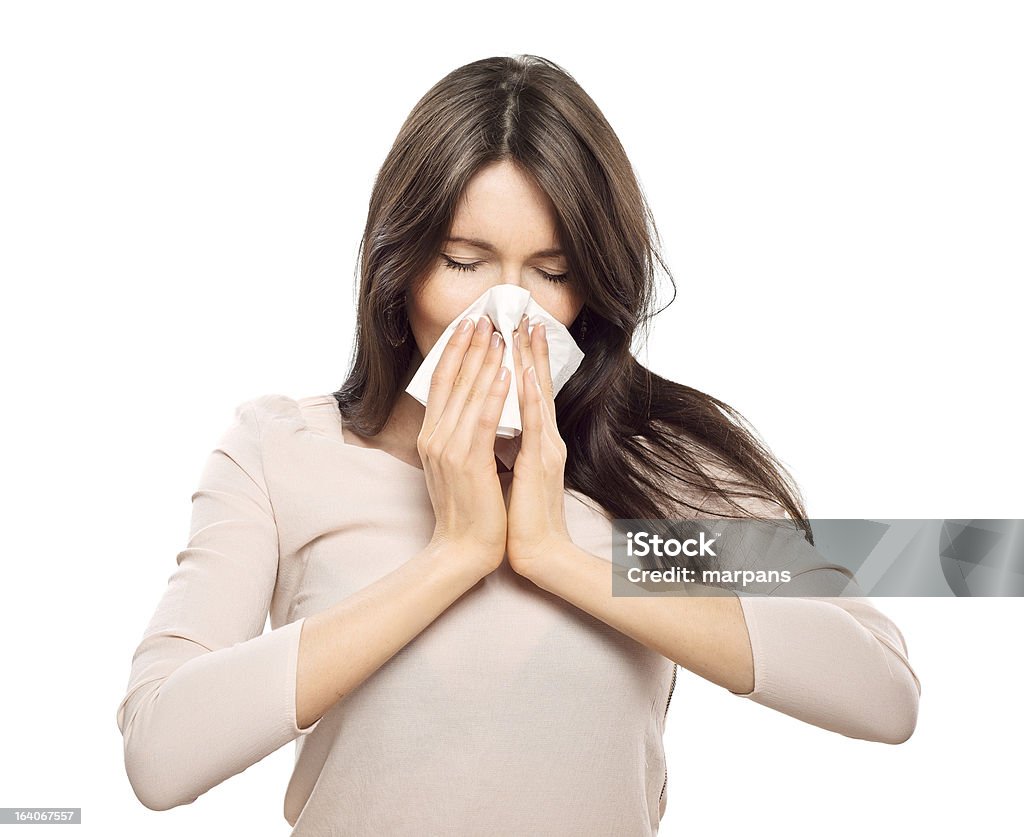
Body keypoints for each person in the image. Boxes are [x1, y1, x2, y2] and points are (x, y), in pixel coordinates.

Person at [116, 55, 921, 835]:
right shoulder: (283, 450)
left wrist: (558, 554)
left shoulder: (657, 464)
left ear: (594, 289)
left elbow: (884, 690)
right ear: (399, 274)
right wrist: (454, 554)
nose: (508, 310)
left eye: (550, 270)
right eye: (465, 263)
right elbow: (159, 751)